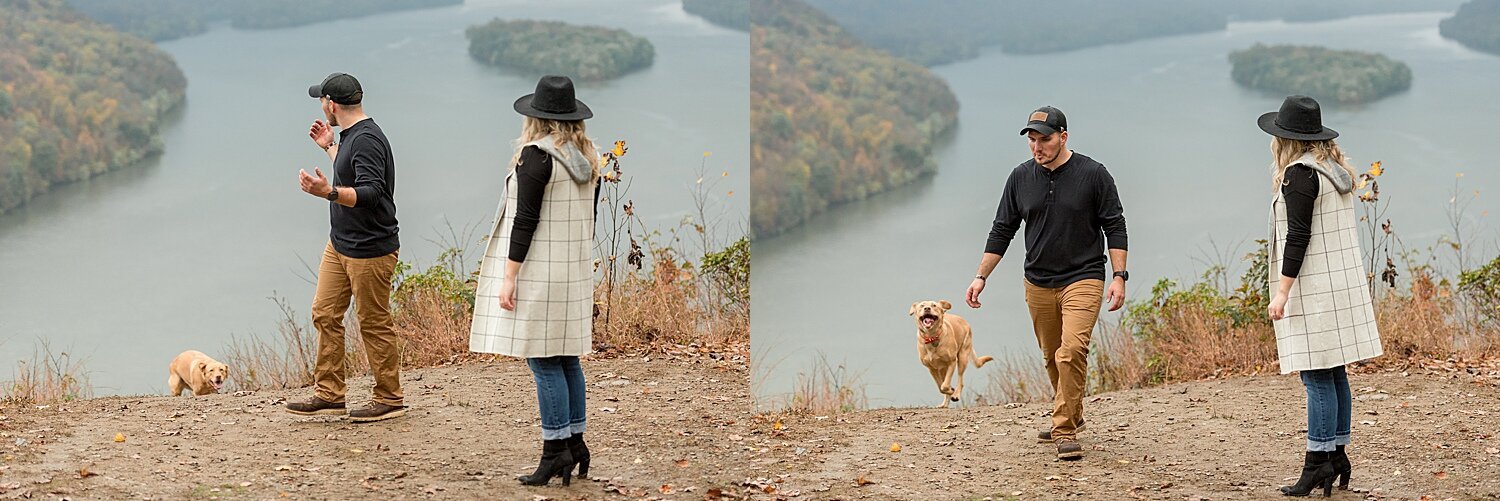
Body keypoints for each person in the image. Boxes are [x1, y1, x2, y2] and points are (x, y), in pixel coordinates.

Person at [964, 105, 1129, 460]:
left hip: (1083, 276)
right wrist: (981, 277)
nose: (1037, 147)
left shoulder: (1094, 174)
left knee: (1072, 351)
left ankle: (1064, 429)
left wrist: (1119, 276)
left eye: (1045, 140)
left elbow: (1114, 225)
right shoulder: (1020, 178)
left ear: (1063, 137)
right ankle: (1072, 413)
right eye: (1032, 140)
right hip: (1037, 281)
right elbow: (1002, 230)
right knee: (1053, 357)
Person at [469, 75, 601, 487]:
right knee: (566, 358)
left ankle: (555, 450)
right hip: (573, 269)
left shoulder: (536, 156)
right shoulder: (589, 157)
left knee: (544, 361)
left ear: (536, 118)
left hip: (541, 271)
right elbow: (589, 217)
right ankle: (576, 442)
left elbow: (524, 221)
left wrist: (509, 277)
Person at [1259, 95, 1383, 496]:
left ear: (1286, 139)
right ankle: (1337, 454)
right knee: (1335, 372)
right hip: (1340, 288)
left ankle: (1318, 461)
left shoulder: (1299, 175)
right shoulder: (1335, 171)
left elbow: (1298, 237)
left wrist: (1281, 292)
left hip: (1313, 290)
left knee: (1316, 377)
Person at [284, 72, 406, 423]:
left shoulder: (367, 139)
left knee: (373, 322)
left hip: (370, 249)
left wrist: (328, 192)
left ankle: (389, 397)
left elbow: (372, 193)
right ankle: (330, 393)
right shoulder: (351, 136)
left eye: (322, 101)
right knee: (324, 312)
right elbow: (352, 170)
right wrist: (329, 147)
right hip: (340, 245)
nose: (322, 107)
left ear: (331, 104)